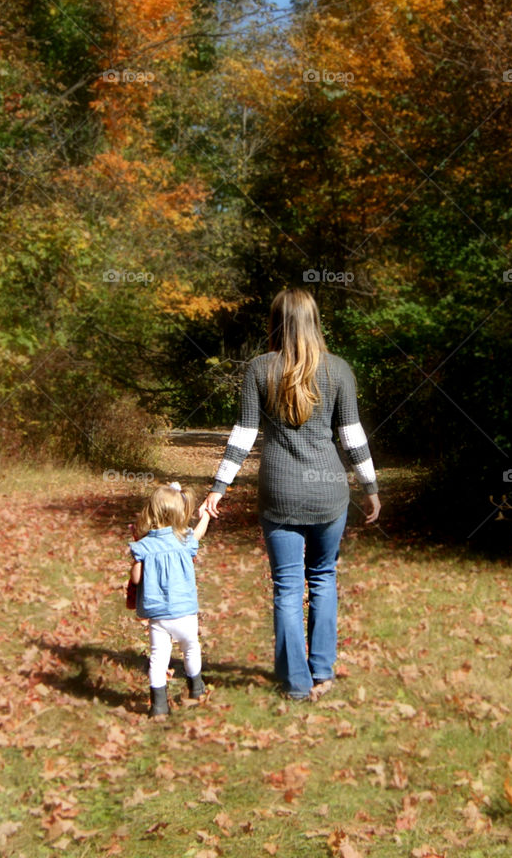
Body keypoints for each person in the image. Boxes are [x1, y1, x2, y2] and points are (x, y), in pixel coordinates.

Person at [202, 288, 380, 700]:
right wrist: (370, 488)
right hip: (329, 494)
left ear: (276, 322)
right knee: (323, 578)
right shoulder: (339, 370)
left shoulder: (259, 368)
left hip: (279, 493)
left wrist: (219, 487)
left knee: (286, 587)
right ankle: (322, 672)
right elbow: (353, 438)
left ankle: (295, 684)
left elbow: (243, 435)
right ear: (314, 321)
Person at [129, 481, 210, 717]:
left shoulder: (144, 546)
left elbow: (136, 579)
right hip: (185, 612)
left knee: (158, 658)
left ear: (152, 512)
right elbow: (198, 534)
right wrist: (204, 516)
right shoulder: (184, 539)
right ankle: (196, 687)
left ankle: (159, 705)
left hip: (158, 616)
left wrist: (135, 564)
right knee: (191, 648)